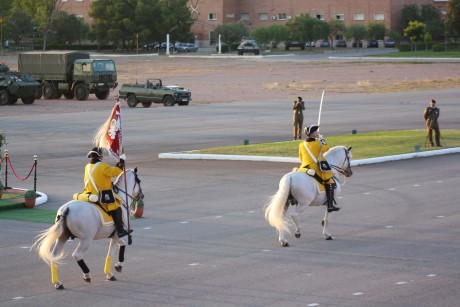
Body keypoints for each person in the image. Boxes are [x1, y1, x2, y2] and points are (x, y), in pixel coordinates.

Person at [79, 147, 130, 237]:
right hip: (100, 195)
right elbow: (115, 172)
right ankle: (120, 230)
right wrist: (121, 161)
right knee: (117, 208)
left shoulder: (87, 166)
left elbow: (97, 178)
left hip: (88, 193)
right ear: (100, 156)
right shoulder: (102, 166)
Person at [298, 125, 340, 212]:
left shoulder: (301, 144)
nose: (317, 133)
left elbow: (301, 158)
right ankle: (330, 205)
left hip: (303, 167)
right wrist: (322, 139)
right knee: (330, 181)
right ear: (312, 134)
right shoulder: (318, 143)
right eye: (316, 132)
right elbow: (326, 149)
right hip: (315, 167)